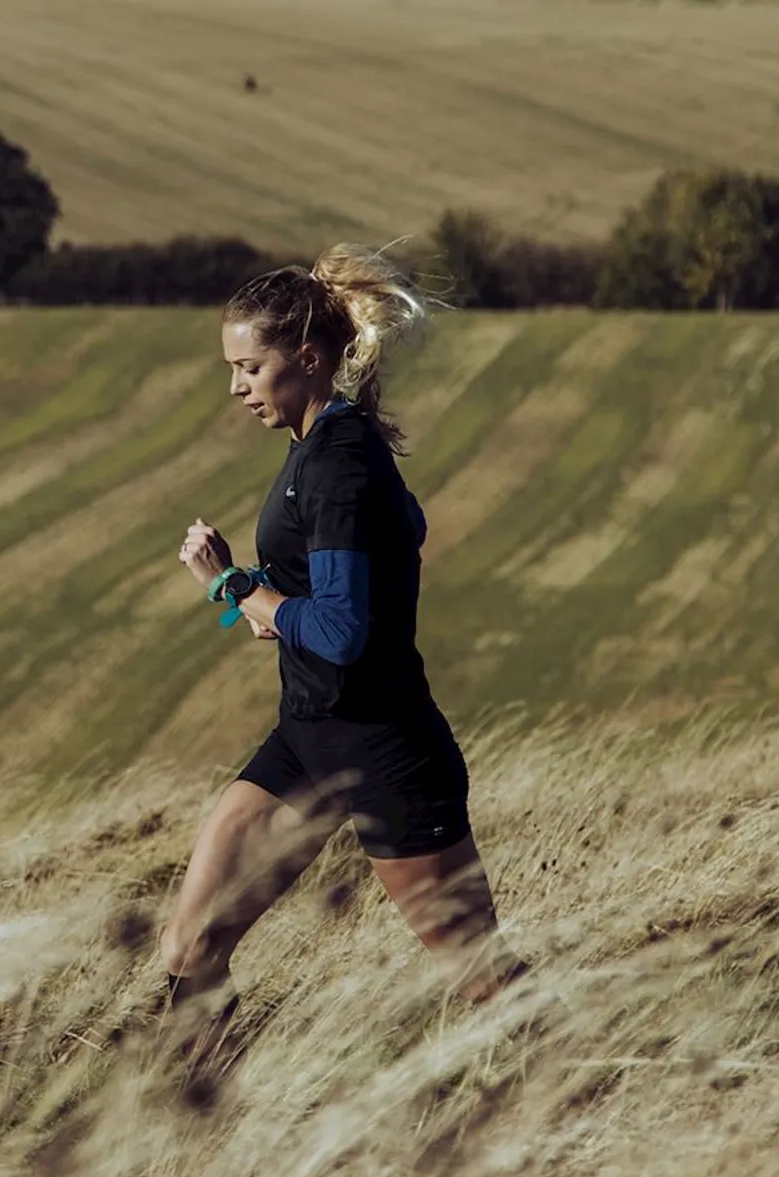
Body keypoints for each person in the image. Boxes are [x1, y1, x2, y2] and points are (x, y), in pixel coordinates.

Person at [161, 244, 526, 1010]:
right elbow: (335, 595)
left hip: (383, 751)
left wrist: (230, 585)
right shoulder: (314, 448)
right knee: (191, 948)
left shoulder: (340, 464)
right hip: (307, 737)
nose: (235, 387)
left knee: (484, 984)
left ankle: (586, 1092)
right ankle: (191, 1120)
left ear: (308, 357)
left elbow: (340, 634)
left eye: (250, 369)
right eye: (232, 369)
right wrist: (263, 599)